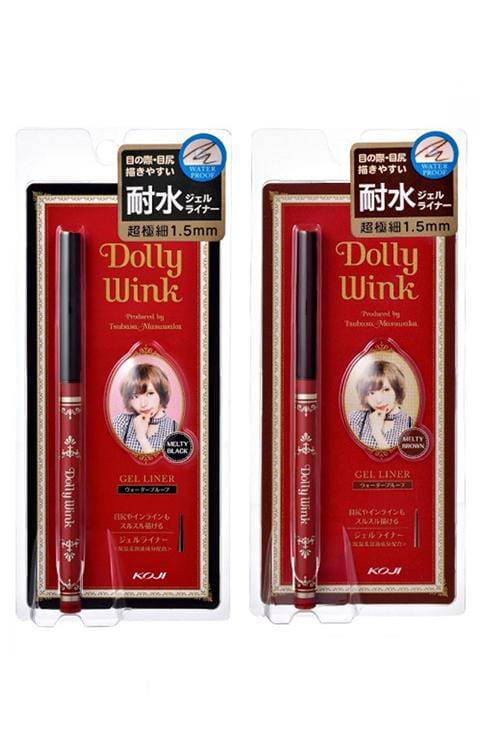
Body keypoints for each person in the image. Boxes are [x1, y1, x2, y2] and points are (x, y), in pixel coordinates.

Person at [112, 363, 177, 454]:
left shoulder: (175, 429)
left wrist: (141, 438)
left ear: (161, 393)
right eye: (135, 396)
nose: (143, 404)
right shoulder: (122, 422)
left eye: (150, 393)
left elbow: (164, 463)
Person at [348, 359, 412, 450]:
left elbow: (399, 458)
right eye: (371, 393)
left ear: (397, 390)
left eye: (386, 390)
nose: (379, 400)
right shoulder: (357, 419)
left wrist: (377, 433)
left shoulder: (409, 425)